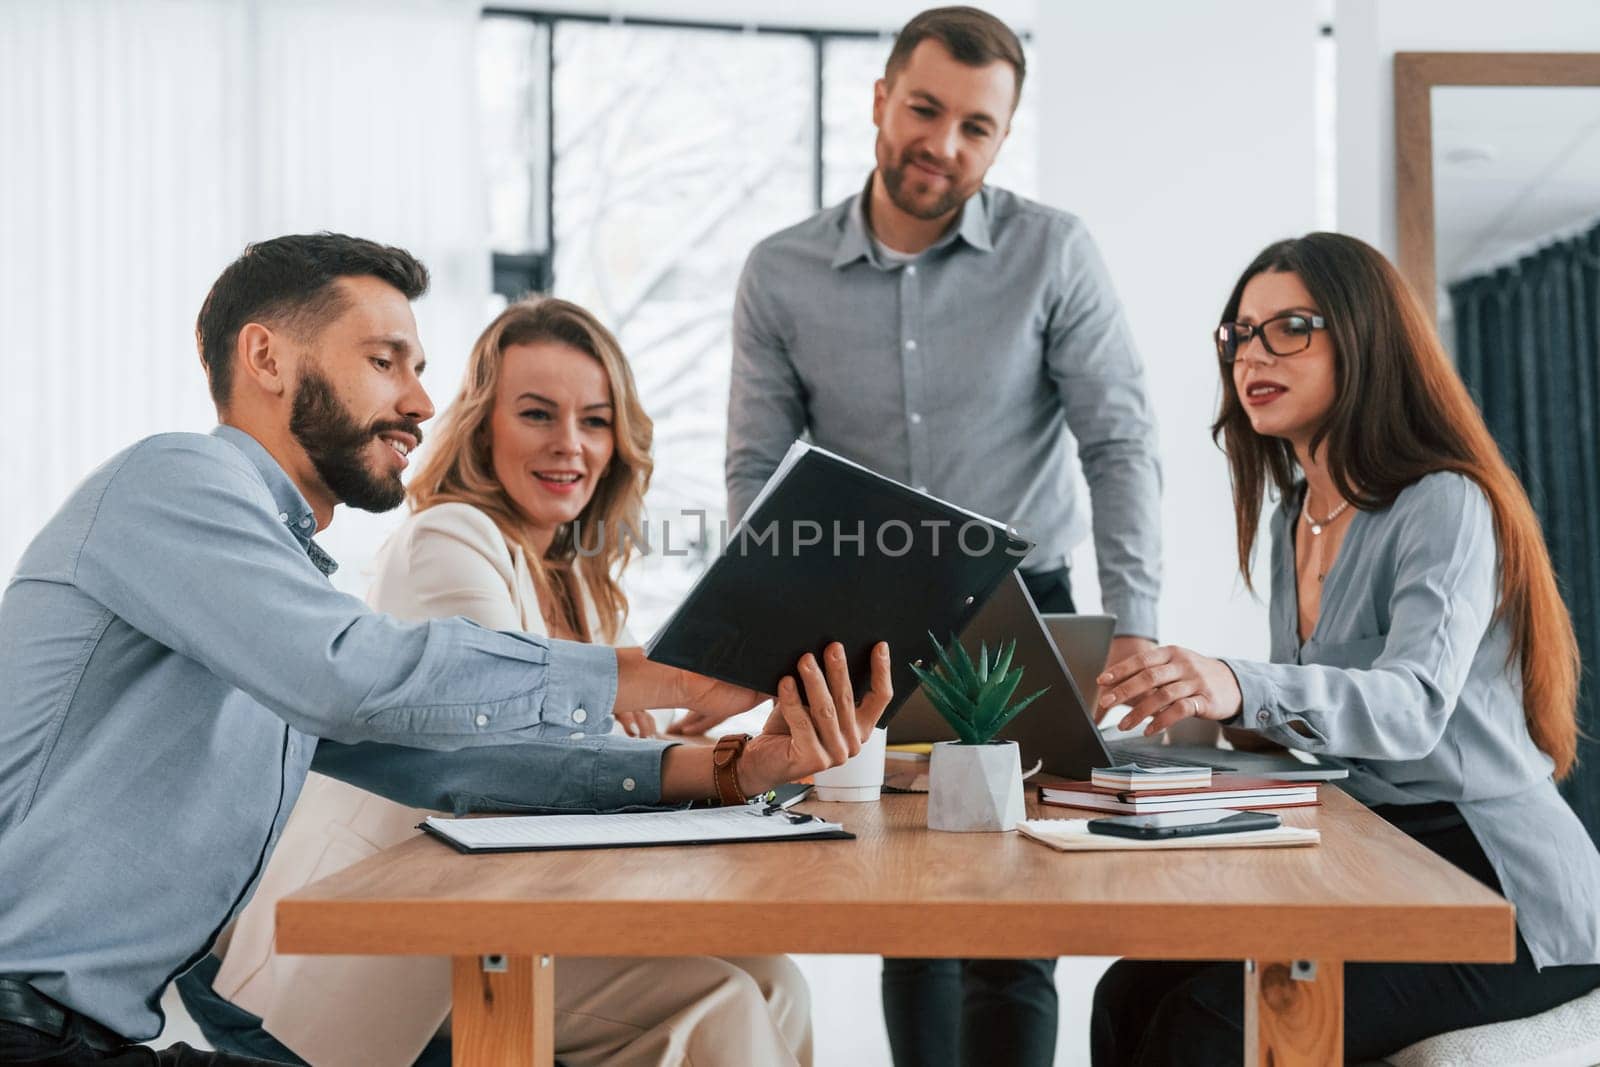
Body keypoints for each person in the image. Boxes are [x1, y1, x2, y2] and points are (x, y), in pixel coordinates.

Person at [0, 234, 892, 1066]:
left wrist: (736, 767)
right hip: (25, 1025)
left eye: (420, 369)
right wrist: (653, 671)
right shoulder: (173, 481)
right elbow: (350, 675)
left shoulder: (276, 594)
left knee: (759, 981)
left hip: (98, 1034)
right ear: (266, 358)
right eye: (385, 361)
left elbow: (460, 758)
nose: (421, 401)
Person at [175, 297, 815, 1067]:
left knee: (776, 979)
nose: (570, 446)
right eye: (538, 415)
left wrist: (686, 740)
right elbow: (511, 765)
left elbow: (587, 736)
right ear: (483, 427)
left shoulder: (575, 577)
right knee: (720, 1002)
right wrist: (695, 758)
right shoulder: (449, 539)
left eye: (595, 421)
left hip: (505, 910)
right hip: (381, 948)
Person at [724, 7, 1161, 1065]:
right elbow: (755, 473)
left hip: (1026, 611)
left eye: (977, 126)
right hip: (871, 620)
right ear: (881, 99)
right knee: (908, 907)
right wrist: (755, 638)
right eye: (925, 110)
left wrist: (1136, 632)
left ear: (1003, 137)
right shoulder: (780, 272)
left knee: (1015, 914)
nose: (945, 144)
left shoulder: (1053, 251)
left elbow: (1120, 442)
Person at [1089, 232, 1600, 1066]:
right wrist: (1176, 720)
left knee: (1212, 1028)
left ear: (1366, 338)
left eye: (1289, 327)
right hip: (1374, 856)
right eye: (1240, 333)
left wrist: (1237, 683)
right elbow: (1303, 722)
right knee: (1128, 994)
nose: (1254, 352)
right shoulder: (1298, 515)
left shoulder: (1445, 502)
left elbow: (1413, 710)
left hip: (1500, 886)